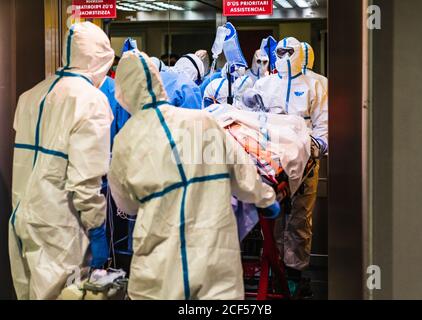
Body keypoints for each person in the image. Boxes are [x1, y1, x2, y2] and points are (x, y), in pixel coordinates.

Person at [108, 50, 279, 300]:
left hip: (158, 267)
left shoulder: (125, 140)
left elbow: (127, 205)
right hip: (213, 256)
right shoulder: (203, 122)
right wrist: (265, 199)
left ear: (121, 94)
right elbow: (242, 173)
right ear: (160, 83)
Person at [9, 22, 114, 300]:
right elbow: (85, 180)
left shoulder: (30, 96)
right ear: (100, 60)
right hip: (60, 227)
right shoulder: (91, 101)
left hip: (22, 217)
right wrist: (96, 228)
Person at [254, 37, 328, 297]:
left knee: (299, 219)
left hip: (305, 162)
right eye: (279, 51)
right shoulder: (265, 84)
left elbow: (324, 124)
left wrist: (315, 149)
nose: (283, 56)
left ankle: (295, 274)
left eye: (289, 51)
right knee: (272, 217)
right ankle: (276, 271)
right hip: (271, 162)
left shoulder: (316, 84)